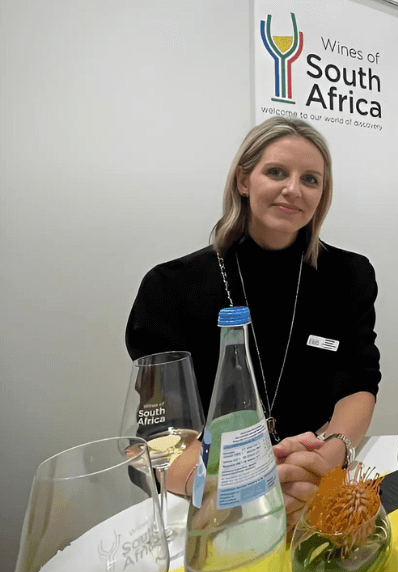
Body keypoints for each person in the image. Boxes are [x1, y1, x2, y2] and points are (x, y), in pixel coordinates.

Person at [126, 117, 380, 526]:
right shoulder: (169, 288)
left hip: (316, 485)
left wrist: (330, 457)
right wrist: (242, 483)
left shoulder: (349, 276)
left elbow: (359, 381)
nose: (293, 189)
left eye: (310, 179)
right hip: (219, 505)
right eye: (276, 172)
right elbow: (158, 441)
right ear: (244, 180)